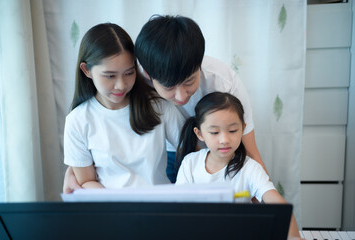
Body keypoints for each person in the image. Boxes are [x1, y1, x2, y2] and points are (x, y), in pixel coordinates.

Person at [134, 15, 266, 183]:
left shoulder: (223, 82)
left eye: (189, 82)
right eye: (169, 87)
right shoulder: (134, 80)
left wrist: (270, 202)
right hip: (169, 154)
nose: (181, 96)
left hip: (218, 155)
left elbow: (251, 152)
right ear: (147, 74)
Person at [63, 23, 184, 190]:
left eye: (129, 73)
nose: (121, 85)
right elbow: (86, 182)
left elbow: (192, 152)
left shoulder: (159, 107)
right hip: (111, 209)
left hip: (158, 205)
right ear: (86, 70)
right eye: (110, 76)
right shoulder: (77, 121)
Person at [175, 92, 301, 239]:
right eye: (214, 132)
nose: (224, 139)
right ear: (200, 133)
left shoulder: (251, 169)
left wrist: (294, 237)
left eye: (233, 131)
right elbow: (179, 208)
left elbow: (279, 206)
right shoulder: (190, 163)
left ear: (243, 128)